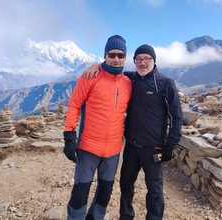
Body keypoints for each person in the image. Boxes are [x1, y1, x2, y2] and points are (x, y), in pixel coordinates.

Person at [83, 44, 183, 219]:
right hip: (131, 146)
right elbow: (112, 67)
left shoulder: (166, 83)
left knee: (154, 190)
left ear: (154, 60)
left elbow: (177, 117)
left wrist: (170, 146)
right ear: (134, 61)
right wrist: (97, 66)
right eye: (138, 59)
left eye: (147, 59)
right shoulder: (130, 79)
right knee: (125, 185)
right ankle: (126, 217)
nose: (142, 63)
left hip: (155, 148)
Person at [63, 35, 132, 220]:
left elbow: (144, 78)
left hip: (113, 151)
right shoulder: (90, 76)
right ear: (105, 55)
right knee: (80, 194)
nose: (116, 59)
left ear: (125, 57)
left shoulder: (128, 83)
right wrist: (69, 136)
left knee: (104, 195)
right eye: (112, 54)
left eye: (120, 55)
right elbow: (74, 104)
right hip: (88, 148)